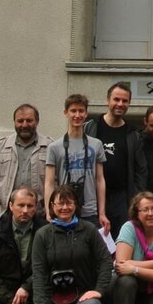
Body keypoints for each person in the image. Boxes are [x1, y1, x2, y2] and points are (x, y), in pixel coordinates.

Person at [29, 184, 112, 304]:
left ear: (76, 205)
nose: (65, 207)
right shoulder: (42, 234)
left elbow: (106, 261)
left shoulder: (89, 230)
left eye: (69, 203)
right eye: (60, 203)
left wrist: (99, 290)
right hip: (52, 296)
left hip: (81, 294)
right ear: (52, 206)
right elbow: (38, 273)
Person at [84, 82, 148, 237]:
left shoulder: (133, 134)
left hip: (121, 198)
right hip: (92, 195)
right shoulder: (90, 128)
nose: (120, 104)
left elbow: (141, 171)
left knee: (121, 239)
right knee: (94, 240)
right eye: (116, 99)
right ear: (108, 100)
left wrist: (136, 200)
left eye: (125, 101)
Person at [44, 94, 109, 233]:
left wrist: (102, 213)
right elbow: (49, 182)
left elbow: (100, 179)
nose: (77, 115)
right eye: (73, 111)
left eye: (81, 111)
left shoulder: (96, 144)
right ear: (65, 112)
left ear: (86, 114)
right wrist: (49, 211)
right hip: (63, 210)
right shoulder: (54, 147)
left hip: (90, 211)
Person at [0, 103, 52, 219]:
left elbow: (56, 179)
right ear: (14, 122)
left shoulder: (50, 147)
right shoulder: (1, 146)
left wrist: (48, 208)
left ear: (37, 121)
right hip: (6, 213)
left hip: (39, 214)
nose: (24, 125)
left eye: (29, 120)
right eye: (20, 121)